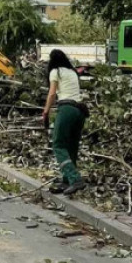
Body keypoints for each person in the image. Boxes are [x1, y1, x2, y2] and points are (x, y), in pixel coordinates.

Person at [42, 48, 87, 194]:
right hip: (80, 111)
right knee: (71, 146)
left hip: (66, 109)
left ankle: (75, 179)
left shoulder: (56, 71)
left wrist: (46, 111)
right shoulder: (72, 72)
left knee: (58, 144)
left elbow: (52, 93)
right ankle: (67, 180)